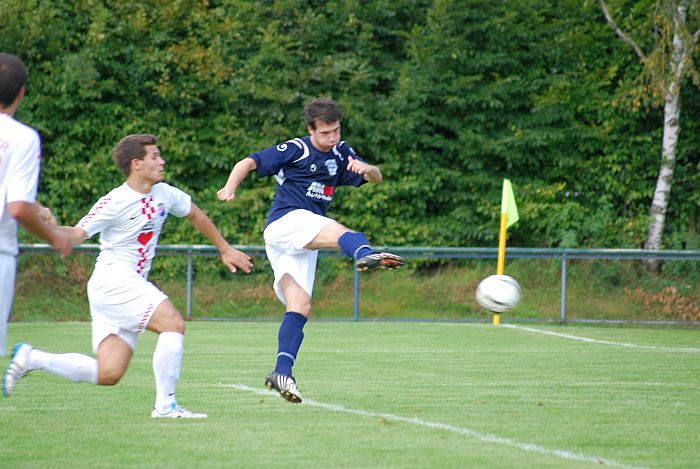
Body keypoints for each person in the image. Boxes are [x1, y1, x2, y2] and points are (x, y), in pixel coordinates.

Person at [3, 134, 254, 419]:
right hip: (114, 282)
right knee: (172, 323)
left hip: (124, 286)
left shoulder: (165, 193)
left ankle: (31, 357)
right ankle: (166, 407)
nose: (162, 161)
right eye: (155, 156)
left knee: (108, 372)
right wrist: (48, 227)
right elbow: (76, 234)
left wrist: (225, 249)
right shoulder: (114, 201)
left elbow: (196, 215)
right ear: (137, 164)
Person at [217, 97, 404, 403]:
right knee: (346, 234)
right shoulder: (297, 149)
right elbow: (248, 162)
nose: (332, 138)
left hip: (301, 242)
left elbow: (376, 178)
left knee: (300, 305)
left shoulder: (342, 152)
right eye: (325, 133)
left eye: (336, 131)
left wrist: (368, 168)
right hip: (286, 222)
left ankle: (282, 372)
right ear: (311, 130)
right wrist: (230, 186)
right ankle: (363, 253)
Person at [0, 52, 72, 357]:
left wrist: (37, 207)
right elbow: (17, 207)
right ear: (21, 93)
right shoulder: (22, 137)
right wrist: (55, 237)